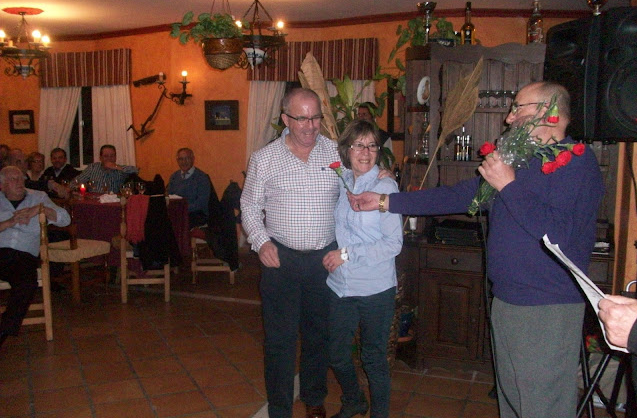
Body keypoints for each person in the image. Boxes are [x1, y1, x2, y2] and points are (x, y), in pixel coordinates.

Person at [351, 81, 605, 418]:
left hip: (548, 307)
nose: (509, 118)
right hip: (507, 300)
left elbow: (559, 234)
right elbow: (457, 195)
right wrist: (385, 201)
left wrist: (508, 185)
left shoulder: (577, 164)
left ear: (549, 112)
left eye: (518, 108)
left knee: (543, 407)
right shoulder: (521, 161)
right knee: (512, 402)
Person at [241, 88, 340, 418]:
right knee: (279, 340)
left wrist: (380, 175)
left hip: (323, 260)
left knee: (318, 335)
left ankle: (313, 397)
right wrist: (261, 241)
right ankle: (280, 408)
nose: (310, 126)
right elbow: (249, 205)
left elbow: (357, 189)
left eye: (316, 117)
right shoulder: (264, 158)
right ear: (285, 119)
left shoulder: (336, 152)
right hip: (280, 260)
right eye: (302, 118)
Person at [322, 119, 403, 418]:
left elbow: (393, 244)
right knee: (336, 354)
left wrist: (346, 253)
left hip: (375, 288)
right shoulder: (341, 178)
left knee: (373, 360)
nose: (366, 152)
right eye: (359, 145)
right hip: (341, 287)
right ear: (347, 149)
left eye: (372, 146)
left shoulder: (385, 188)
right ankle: (354, 400)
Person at [0, 166, 70, 349]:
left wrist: (40, 209)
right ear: (2, 185)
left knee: (26, 284)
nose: (19, 182)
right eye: (13, 179)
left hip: (23, 255)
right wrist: (9, 222)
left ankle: (3, 330)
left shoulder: (38, 197)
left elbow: (65, 219)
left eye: (21, 178)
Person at [167, 148, 211, 229]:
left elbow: (201, 203)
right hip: (178, 213)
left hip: (196, 214)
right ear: (177, 161)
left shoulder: (202, 177)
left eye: (187, 158)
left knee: (178, 223)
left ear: (193, 159)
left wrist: (183, 209)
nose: (184, 162)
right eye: (181, 159)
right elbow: (169, 196)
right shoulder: (174, 177)